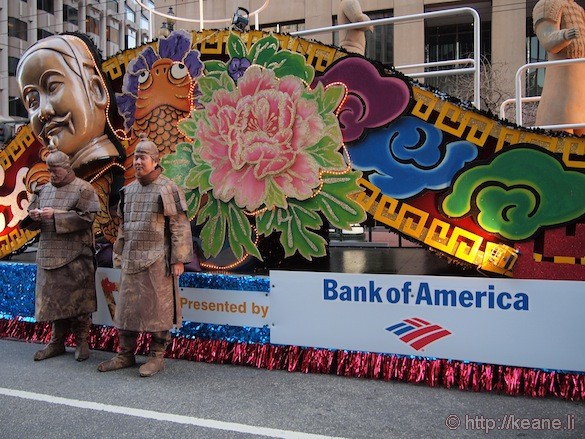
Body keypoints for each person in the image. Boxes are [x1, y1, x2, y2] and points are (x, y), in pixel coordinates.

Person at [98, 134, 193, 377]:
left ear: (154, 160)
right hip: (131, 258)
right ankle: (125, 354)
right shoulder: (127, 191)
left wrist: (179, 259)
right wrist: (119, 252)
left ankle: (156, 356)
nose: (137, 162)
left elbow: (179, 226)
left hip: (157, 260)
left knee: (158, 311)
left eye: (143, 157)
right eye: (135, 157)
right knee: (127, 309)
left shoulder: (168, 188)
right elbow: (123, 226)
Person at [17, 33, 125, 243]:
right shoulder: (45, 189)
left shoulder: (115, 178)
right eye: (32, 101)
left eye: (53, 87)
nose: (43, 112)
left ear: (96, 90)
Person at [26, 147, 100, 362]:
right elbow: (29, 226)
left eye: (55, 171)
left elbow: (87, 218)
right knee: (54, 301)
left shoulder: (84, 189)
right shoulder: (42, 190)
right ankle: (56, 342)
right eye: (49, 171)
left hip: (76, 253)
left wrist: (57, 215)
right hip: (49, 251)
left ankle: (82, 341)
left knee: (79, 301)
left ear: (67, 169)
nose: (52, 175)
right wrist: (34, 217)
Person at [533, 0, 585, 135]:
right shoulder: (548, 4)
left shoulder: (578, 9)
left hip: (581, 79)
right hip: (562, 79)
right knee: (560, 125)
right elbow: (547, 40)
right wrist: (565, 35)